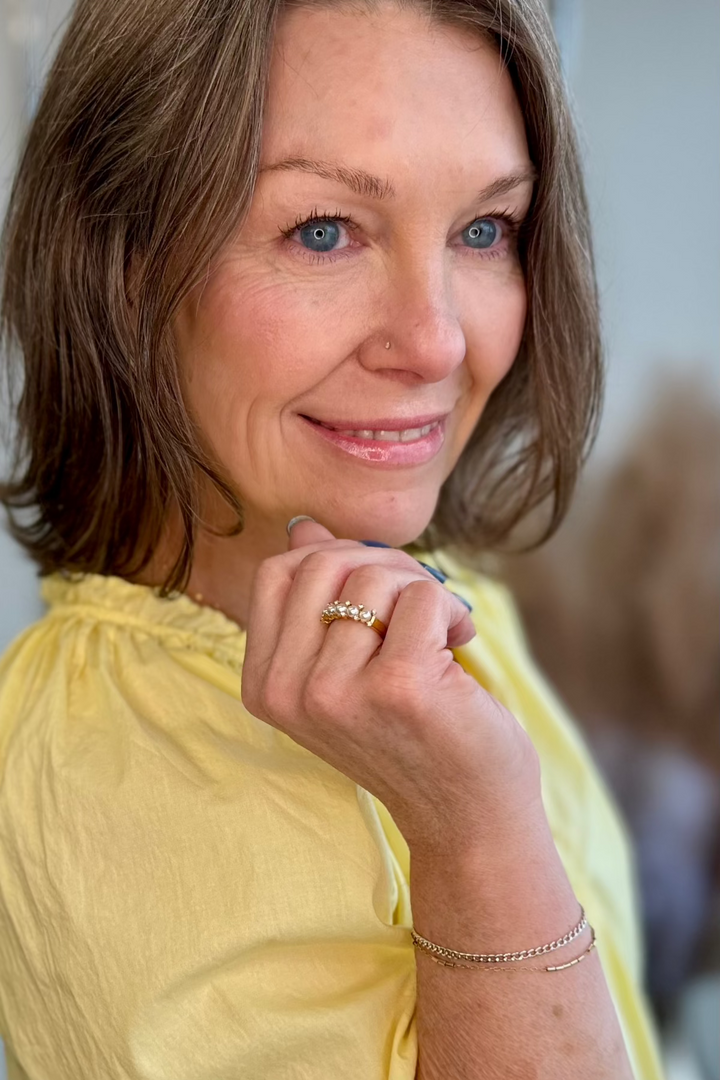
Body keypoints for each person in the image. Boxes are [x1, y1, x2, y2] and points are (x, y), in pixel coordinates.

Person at [0, 0, 663, 1077]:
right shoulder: (108, 780)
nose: (437, 339)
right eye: (324, 231)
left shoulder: (448, 603)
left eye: (484, 229)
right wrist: (479, 841)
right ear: (119, 259)